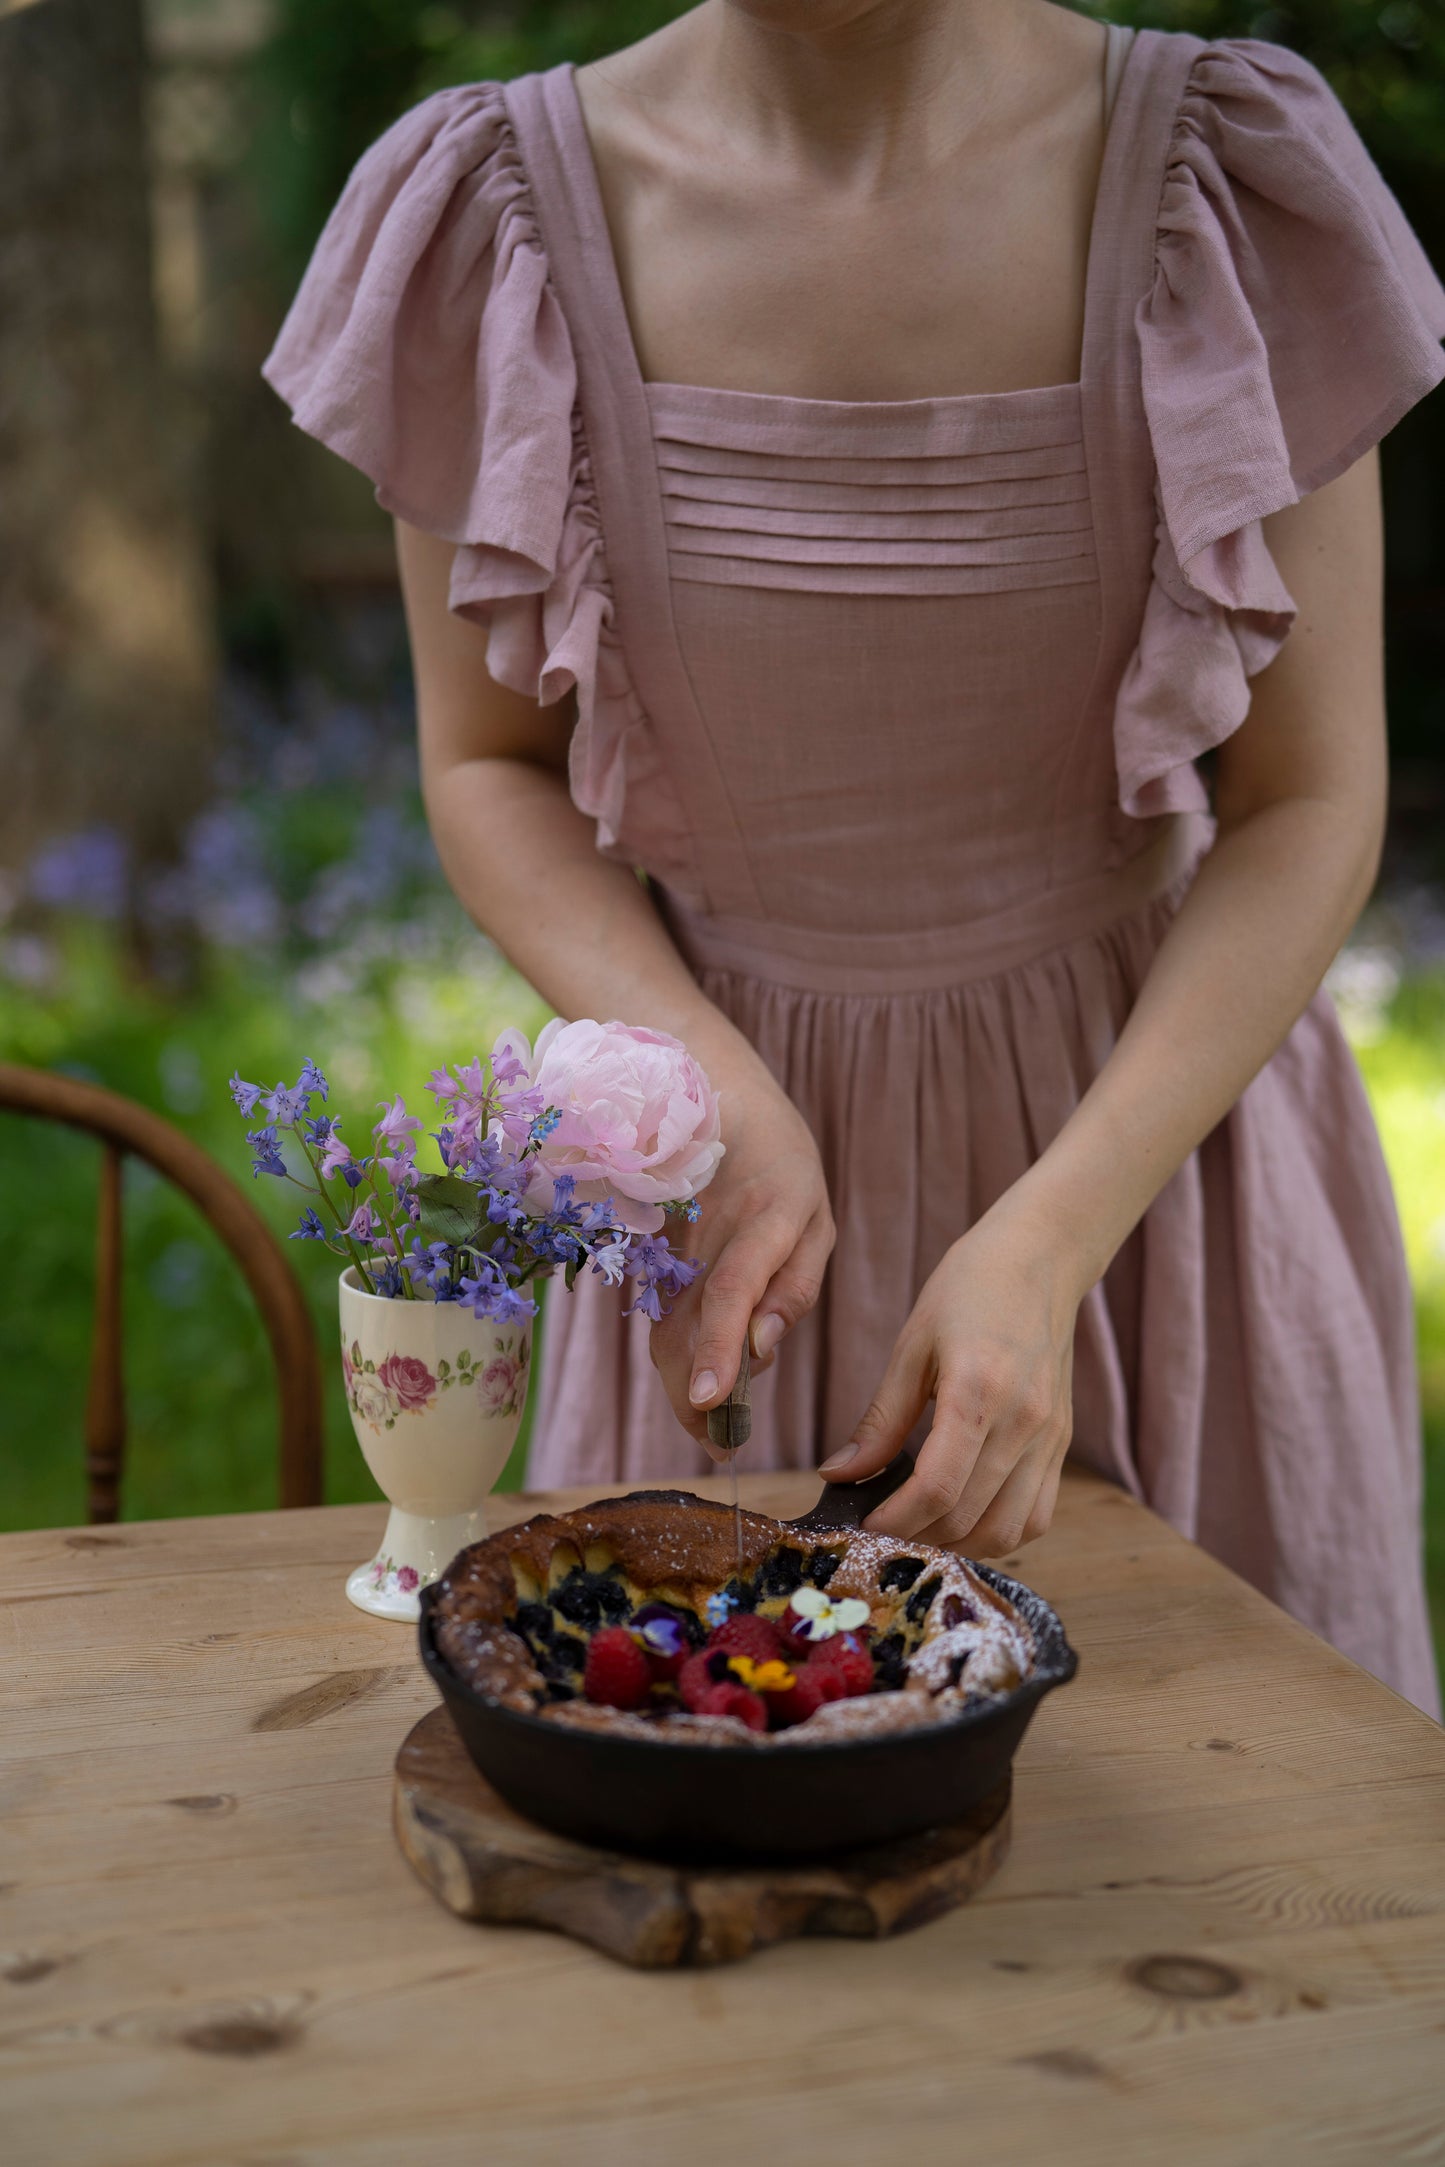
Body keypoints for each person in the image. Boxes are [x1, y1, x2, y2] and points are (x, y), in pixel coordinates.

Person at [263, 0, 1445, 1713]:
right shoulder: (499, 216)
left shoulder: (1221, 187)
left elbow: (1309, 796)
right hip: (726, 1210)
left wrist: (1050, 1241)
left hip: (1149, 1181)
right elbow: (484, 764)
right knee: (706, 1787)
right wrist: (708, 1087)